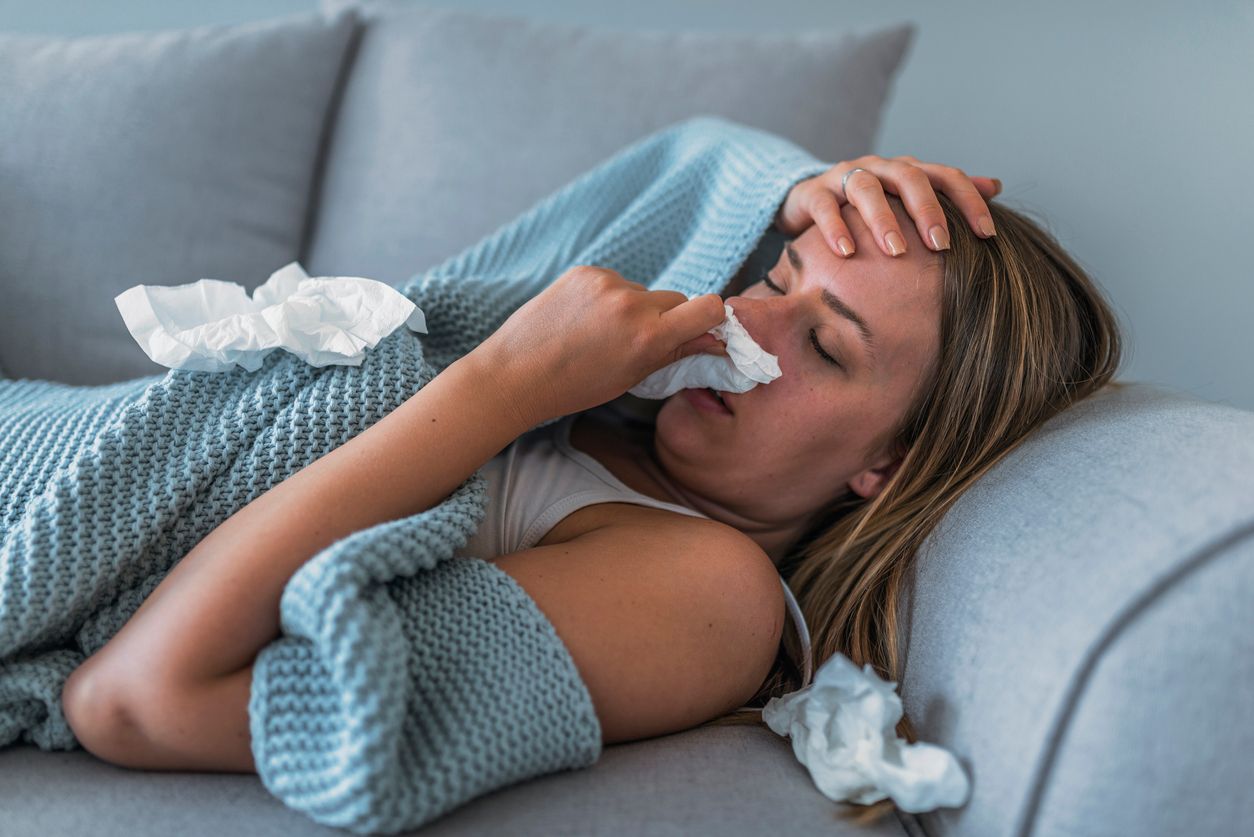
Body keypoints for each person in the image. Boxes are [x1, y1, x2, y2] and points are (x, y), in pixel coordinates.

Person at [61, 155, 1123, 820]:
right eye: (775, 277)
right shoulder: (603, 413)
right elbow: (689, 159)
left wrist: (503, 385)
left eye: (827, 348)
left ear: (886, 466)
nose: (737, 326)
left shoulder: (705, 594)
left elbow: (137, 701)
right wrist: (797, 183)